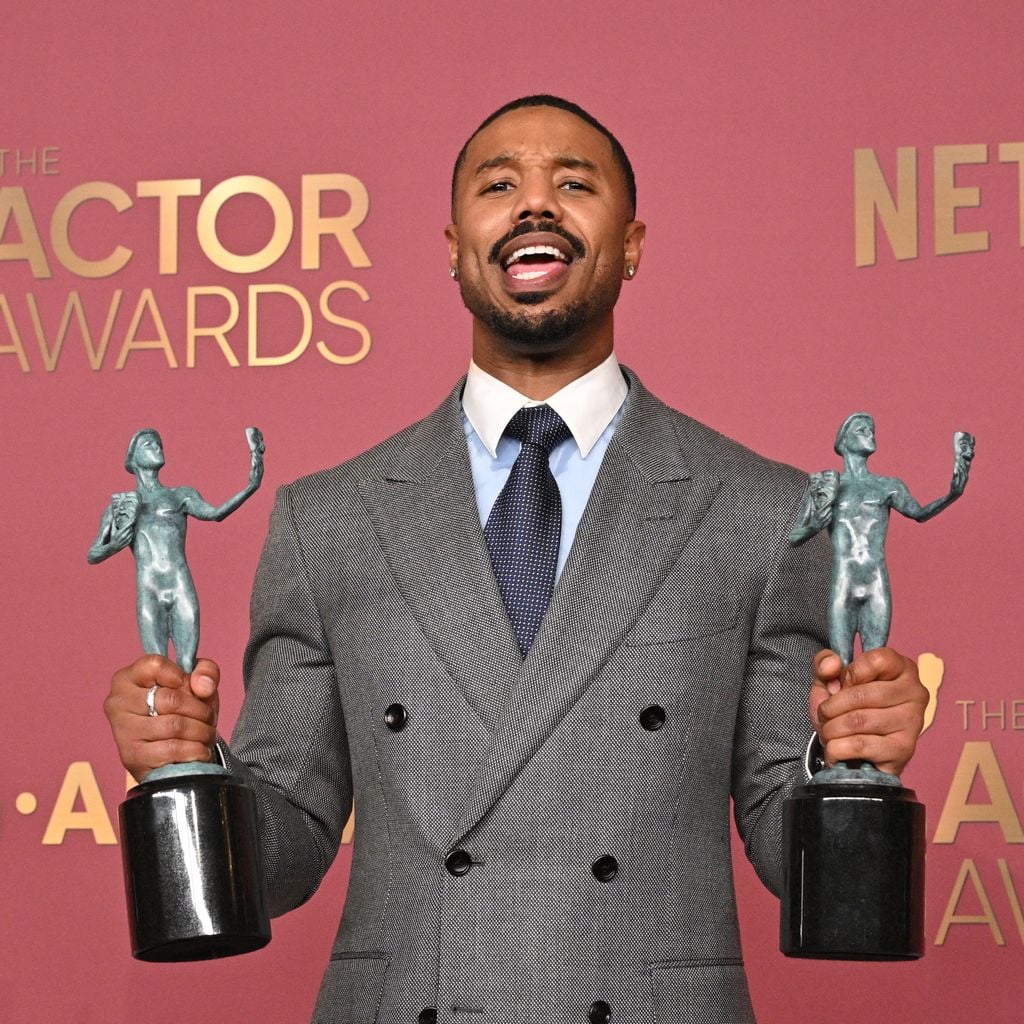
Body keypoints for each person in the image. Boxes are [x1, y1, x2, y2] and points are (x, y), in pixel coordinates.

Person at [104, 96, 928, 1024]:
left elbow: (787, 833)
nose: (535, 204)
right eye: (500, 185)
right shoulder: (326, 519)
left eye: (574, 183)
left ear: (631, 244)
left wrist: (851, 760)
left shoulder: (761, 510)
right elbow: (285, 839)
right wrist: (189, 765)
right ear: (455, 247)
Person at [788, 413, 974, 665]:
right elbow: (794, 537)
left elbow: (919, 513)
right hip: (843, 583)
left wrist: (953, 493)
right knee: (840, 667)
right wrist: (815, 525)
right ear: (843, 442)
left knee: (874, 667)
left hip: (876, 582)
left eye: (871, 429)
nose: (870, 434)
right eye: (862, 430)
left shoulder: (888, 486)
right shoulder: (825, 485)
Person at [89, 428, 264, 673]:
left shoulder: (180, 495)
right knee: (158, 669)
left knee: (187, 666)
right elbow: (93, 553)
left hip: (180, 584)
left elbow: (215, 513)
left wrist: (251, 484)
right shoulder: (122, 507)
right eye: (149, 444)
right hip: (149, 589)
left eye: (159, 443)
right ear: (133, 459)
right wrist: (115, 544)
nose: (158, 447)